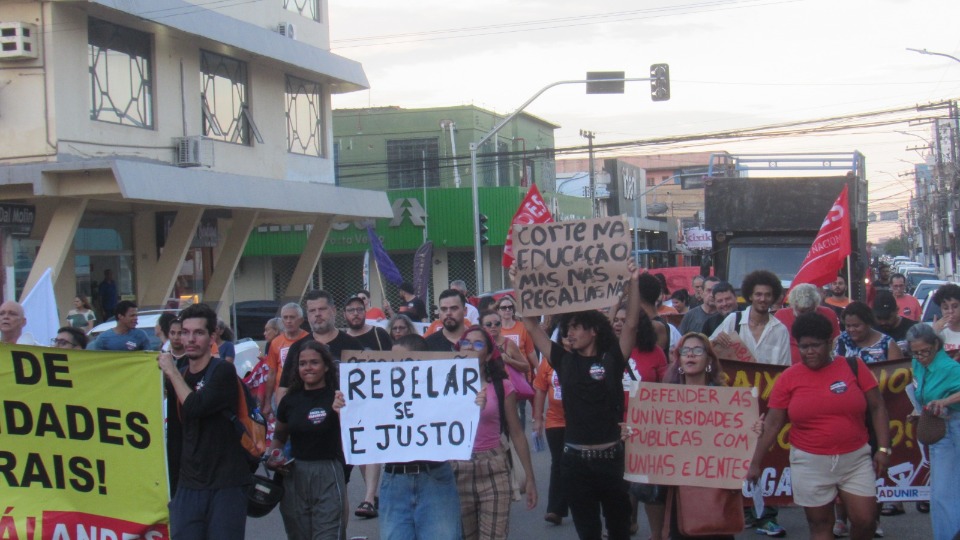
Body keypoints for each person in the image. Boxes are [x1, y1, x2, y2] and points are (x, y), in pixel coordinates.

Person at [515, 262, 642, 540]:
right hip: (575, 463)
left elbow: (631, 323)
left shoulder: (611, 360)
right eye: (567, 328)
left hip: (611, 461)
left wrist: (633, 282)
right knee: (588, 532)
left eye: (576, 327)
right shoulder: (563, 360)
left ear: (594, 330)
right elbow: (532, 326)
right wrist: (519, 283)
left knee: (619, 530)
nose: (569, 333)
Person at [748, 312, 891, 540]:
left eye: (815, 345)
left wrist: (883, 449)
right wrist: (755, 462)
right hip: (809, 462)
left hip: (855, 459)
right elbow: (773, 424)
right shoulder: (788, 377)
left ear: (830, 343)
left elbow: (878, 408)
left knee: (865, 521)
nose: (809, 352)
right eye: (804, 347)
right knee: (820, 526)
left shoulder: (854, 367)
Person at [336, 332, 464, 540]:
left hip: (435, 478)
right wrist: (346, 411)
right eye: (390, 360)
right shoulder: (379, 393)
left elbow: (461, 420)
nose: (393, 366)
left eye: (401, 360)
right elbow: (364, 432)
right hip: (394, 480)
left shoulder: (444, 392)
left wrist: (475, 404)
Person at [158, 303, 251, 539]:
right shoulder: (181, 374)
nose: (189, 339)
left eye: (198, 333)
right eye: (184, 332)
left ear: (212, 337)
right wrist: (174, 488)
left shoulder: (222, 371)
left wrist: (171, 372)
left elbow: (196, 406)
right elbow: (177, 435)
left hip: (226, 483)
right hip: (189, 485)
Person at [451, 325, 537, 539]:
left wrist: (530, 478)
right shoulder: (446, 385)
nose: (471, 347)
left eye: (478, 343)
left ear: (489, 354)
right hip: (457, 470)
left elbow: (516, 433)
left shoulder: (502, 386)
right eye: (466, 342)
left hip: (494, 468)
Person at [267, 340, 346, 540]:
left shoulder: (337, 397)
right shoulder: (290, 400)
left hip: (328, 471)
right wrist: (273, 456)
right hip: (294, 474)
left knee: (328, 535)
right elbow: (279, 435)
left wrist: (341, 412)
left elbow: (353, 433)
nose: (308, 367)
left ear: (326, 366)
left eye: (314, 362)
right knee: (298, 535)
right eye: (303, 364)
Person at [661, 332, 735, 539]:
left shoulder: (725, 396)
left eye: (697, 351)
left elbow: (735, 440)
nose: (690, 355)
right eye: (685, 351)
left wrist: (752, 431)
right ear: (679, 360)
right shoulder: (665, 398)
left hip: (715, 489)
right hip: (680, 488)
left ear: (709, 360)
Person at [905, 324, 960, 540]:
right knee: (940, 494)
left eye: (924, 352)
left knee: (945, 494)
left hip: (953, 427)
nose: (920, 357)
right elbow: (922, 393)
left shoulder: (949, 368)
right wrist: (917, 411)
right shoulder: (917, 364)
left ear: (936, 345)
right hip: (938, 429)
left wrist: (945, 400)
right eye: (915, 352)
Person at [343, 294, 391, 520]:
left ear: (365, 311)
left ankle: (369, 497)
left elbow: (395, 363)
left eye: (359, 310)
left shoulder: (379, 335)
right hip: (352, 403)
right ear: (344, 314)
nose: (355, 314)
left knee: (371, 445)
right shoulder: (341, 339)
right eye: (351, 310)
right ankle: (371, 493)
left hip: (378, 398)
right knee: (361, 446)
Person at [626, 311, 669, 539]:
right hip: (618, 426)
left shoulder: (655, 353)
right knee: (623, 481)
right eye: (616, 321)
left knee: (650, 484)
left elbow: (666, 387)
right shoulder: (605, 351)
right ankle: (627, 521)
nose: (620, 325)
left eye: (626, 320)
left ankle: (657, 534)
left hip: (649, 426)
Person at [532, 317, 570, 526]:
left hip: (579, 422)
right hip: (555, 421)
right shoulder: (549, 360)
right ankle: (556, 509)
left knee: (574, 464)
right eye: (564, 336)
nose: (568, 340)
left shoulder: (584, 358)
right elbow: (540, 389)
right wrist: (537, 419)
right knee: (558, 462)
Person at [711, 270, 791, 366]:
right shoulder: (733, 320)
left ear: (773, 298)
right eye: (758, 294)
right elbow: (707, 349)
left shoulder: (780, 330)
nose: (763, 299)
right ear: (750, 296)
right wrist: (716, 341)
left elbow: (784, 368)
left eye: (768, 295)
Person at [774, 283, 841, 365]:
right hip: (788, 366)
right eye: (801, 311)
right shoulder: (781, 315)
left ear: (816, 305)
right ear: (793, 306)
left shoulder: (828, 314)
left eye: (809, 310)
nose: (805, 315)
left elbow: (836, 341)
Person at [262, 303, 309, 419]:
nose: (288, 321)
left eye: (292, 317)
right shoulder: (275, 343)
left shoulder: (309, 339)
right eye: (285, 317)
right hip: (282, 395)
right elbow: (272, 373)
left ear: (301, 320)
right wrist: (268, 402)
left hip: (304, 393)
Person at [835, 301, 904, 363]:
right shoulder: (839, 341)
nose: (852, 329)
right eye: (848, 326)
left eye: (856, 326)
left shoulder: (888, 345)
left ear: (868, 323)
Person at [494, 294, 538, 376]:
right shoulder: (494, 329)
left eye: (510, 307)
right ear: (497, 311)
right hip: (503, 374)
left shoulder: (522, 327)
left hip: (522, 373)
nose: (507, 310)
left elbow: (530, 352)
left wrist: (538, 369)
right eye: (504, 308)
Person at [480, 310, 530, 375]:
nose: (493, 326)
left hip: (507, 383)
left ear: (501, 325)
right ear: (482, 327)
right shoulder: (478, 344)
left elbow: (526, 367)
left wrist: (509, 360)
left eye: (497, 323)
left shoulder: (509, 343)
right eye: (488, 324)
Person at [931, 283, 960, 357]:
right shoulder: (938, 332)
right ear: (941, 310)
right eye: (946, 308)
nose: (950, 311)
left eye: (955, 306)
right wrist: (933, 334)